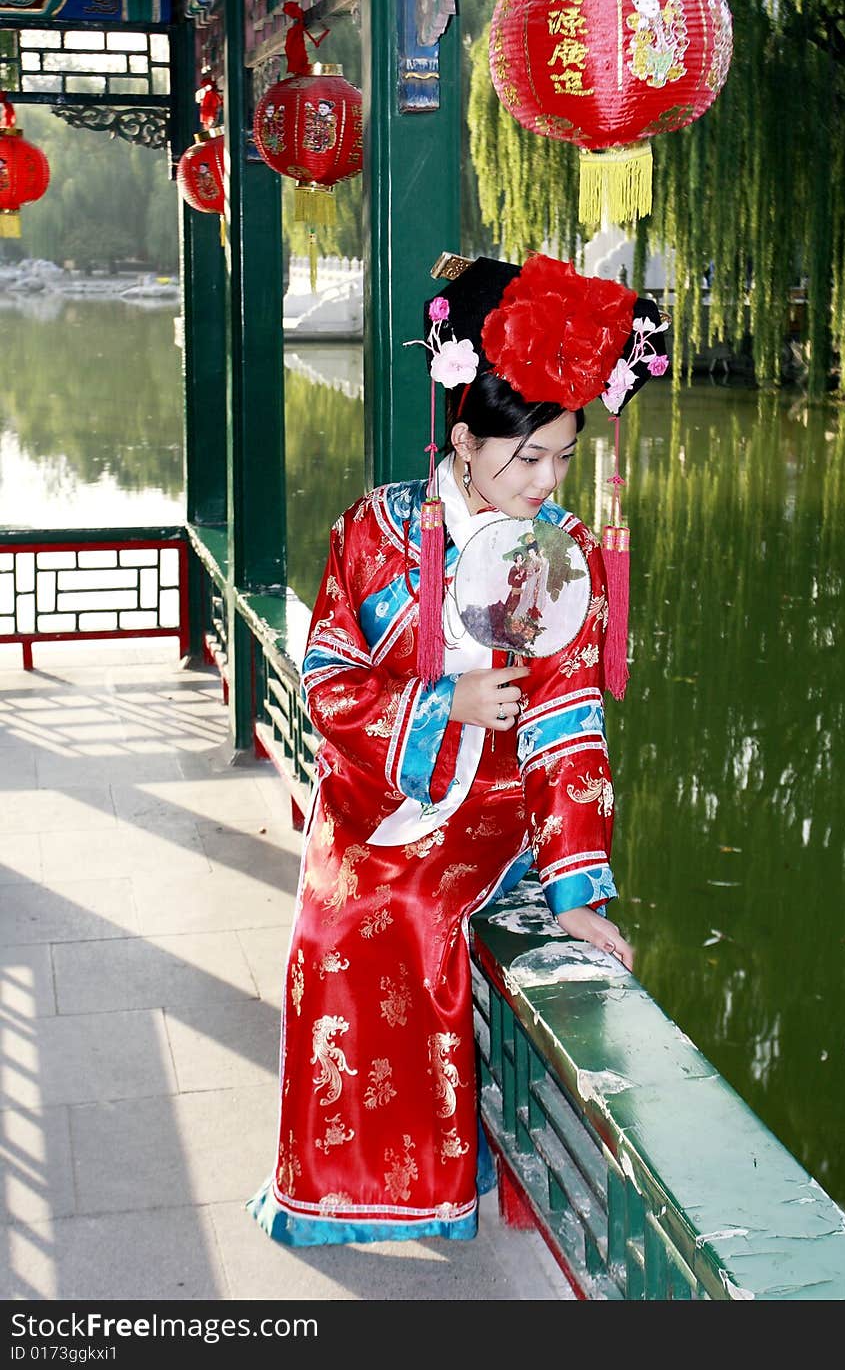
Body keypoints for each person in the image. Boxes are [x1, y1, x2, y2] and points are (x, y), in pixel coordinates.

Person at [247, 251, 665, 1248]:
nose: (547, 480)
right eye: (528, 459)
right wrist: (443, 703)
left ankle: (434, 1177)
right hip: (383, 788)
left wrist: (578, 890)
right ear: (466, 438)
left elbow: (567, 723)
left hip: (495, 812)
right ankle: (353, 1188)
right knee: (331, 924)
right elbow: (327, 675)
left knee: (409, 909)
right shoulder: (378, 530)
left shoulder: (559, 556)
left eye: (563, 457)